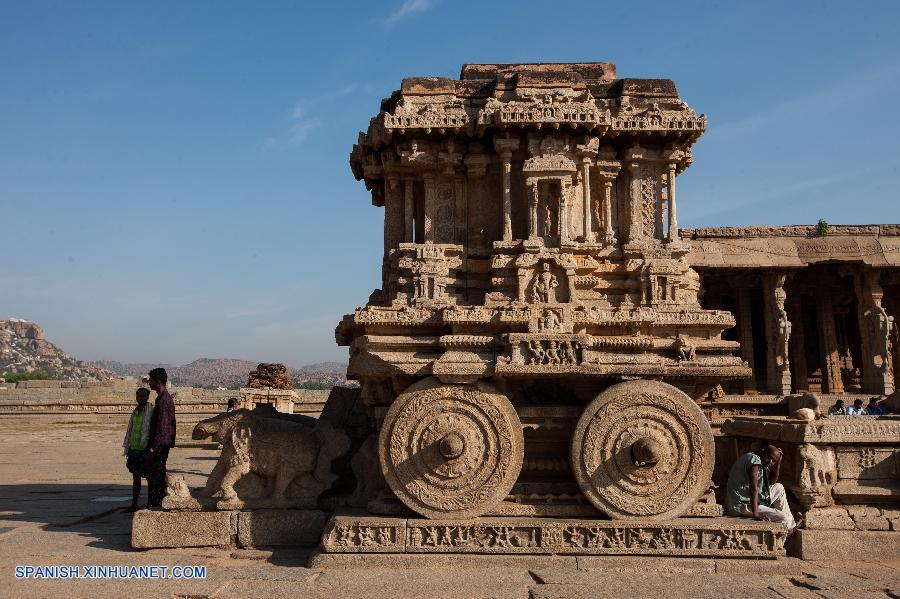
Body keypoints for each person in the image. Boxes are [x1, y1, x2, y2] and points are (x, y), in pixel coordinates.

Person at [725, 445, 797, 534]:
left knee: (779, 487)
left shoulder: (760, 461)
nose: (770, 461)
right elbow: (753, 488)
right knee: (783, 518)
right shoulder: (754, 460)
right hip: (742, 505)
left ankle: (790, 527)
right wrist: (756, 515)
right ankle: (780, 545)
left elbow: (772, 482)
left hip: (751, 499)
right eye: (769, 457)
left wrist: (778, 463)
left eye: (774, 461)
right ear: (763, 452)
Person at [147, 367, 176, 508]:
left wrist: (153, 447)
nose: (149, 383)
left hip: (160, 444)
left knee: (157, 476)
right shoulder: (162, 398)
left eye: (151, 380)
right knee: (156, 474)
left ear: (157, 381)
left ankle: (157, 504)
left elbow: (162, 426)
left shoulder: (164, 400)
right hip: (162, 443)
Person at [123, 388, 153, 512]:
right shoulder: (135, 412)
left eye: (144, 396)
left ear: (147, 397)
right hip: (134, 448)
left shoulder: (151, 411)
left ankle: (150, 503)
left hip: (145, 449)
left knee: (149, 477)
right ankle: (134, 503)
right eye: (139, 396)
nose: (141, 398)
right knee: (136, 477)